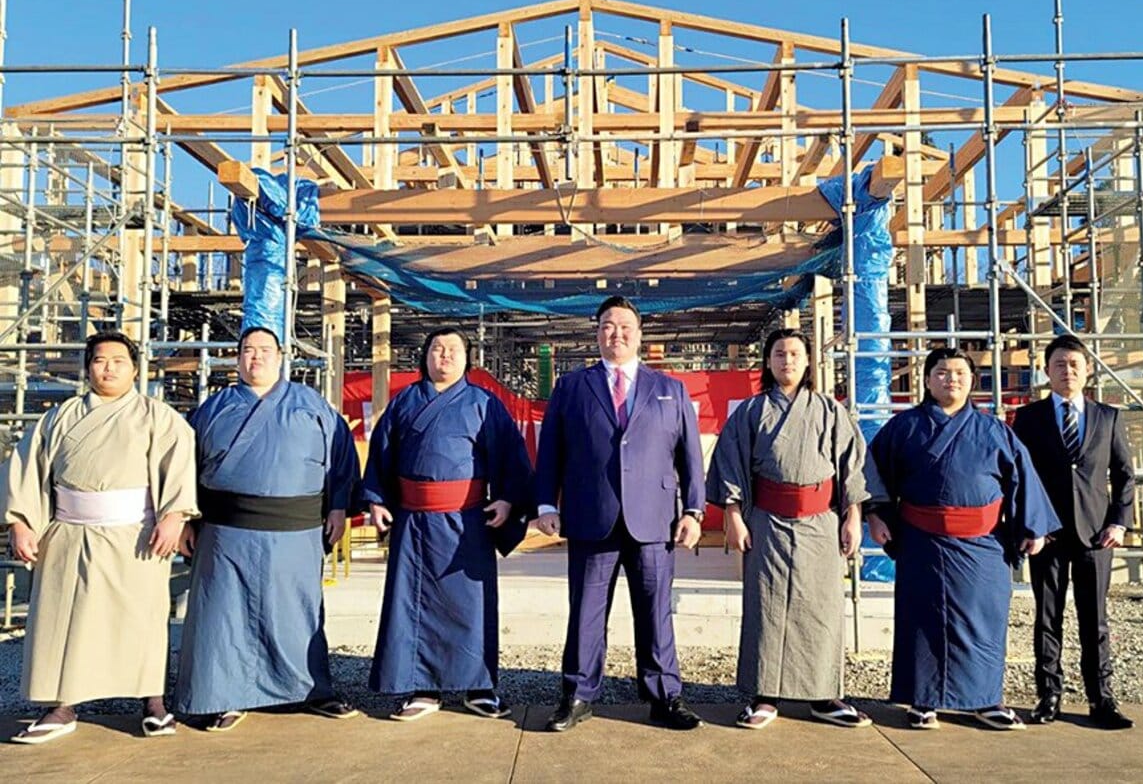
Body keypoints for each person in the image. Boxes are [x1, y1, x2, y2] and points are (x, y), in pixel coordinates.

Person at [3, 331, 198, 744]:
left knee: (142, 620)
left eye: (118, 361)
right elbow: (26, 470)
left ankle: (153, 703)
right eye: (99, 360)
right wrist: (21, 522)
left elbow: (178, 467)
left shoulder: (158, 417)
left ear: (134, 368)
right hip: (69, 531)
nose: (108, 368)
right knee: (64, 622)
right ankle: (62, 705)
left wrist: (175, 516)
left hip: (136, 536)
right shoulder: (58, 418)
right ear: (87, 366)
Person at [174, 326, 360, 732]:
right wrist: (187, 516)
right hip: (226, 530)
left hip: (296, 529)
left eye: (263, 350)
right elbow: (183, 467)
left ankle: (309, 690)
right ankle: (223, 696)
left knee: (297, 611)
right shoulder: (213, 408)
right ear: (237, 358)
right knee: (223, 615)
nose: (255, 358)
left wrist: (340, 507)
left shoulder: (313, 404)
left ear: (281, 356)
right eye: (247, 351)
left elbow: (341, 458)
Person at [533, 295, 706, 733]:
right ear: (597, 333)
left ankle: (665, 696)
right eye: (608, 325)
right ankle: (577, 694)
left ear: (640, 334)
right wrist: (547, 505)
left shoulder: (670, 388)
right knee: (587, 610)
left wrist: (694, 510)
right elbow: (550, 451)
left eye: (625, 326)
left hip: (654, 520)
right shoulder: (573, 388)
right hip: (593, 516)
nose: (617, 334)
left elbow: (691, 457)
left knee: (655, 611)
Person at [865, 347, 1060, 731]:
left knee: (982, 622)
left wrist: (1032, 526)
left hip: (982, 543)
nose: (950, 379)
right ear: (925, 380)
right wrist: (875, 514)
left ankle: (985, 700)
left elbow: (1022, 478)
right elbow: (875, 474)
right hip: (923, 540)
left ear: (972, 381)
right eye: (940, 372)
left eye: (958, 372)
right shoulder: (903, 428)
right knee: (922, 621)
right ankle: (923, 701)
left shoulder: (995, 430)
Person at [706, 328, 872, 730]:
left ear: (808, 361)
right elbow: (729, 466)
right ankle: (763, 695)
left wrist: (852, 517)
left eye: (795, 354)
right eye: (779, 354)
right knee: (767, 607)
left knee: (820, 609)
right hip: (767, 519)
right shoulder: (749, 412)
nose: (787, 361)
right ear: (767, 361)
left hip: (820, 523)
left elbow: (852, 469)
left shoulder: (832, 412)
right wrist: (733, 517)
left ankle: (824, 695)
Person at [363, 327, 532, 721]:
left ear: (467, 359)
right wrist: (375, 500)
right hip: (414, 523)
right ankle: (422, 688)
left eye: (454, 349)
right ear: (424, 356)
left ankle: (479, 687)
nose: (445, 355)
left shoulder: (484, 404)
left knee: (470, 606)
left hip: (466, 522)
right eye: (437, 348)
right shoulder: (405, 401)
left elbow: (512, 458)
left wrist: (507, 500)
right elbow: (380, 456)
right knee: (412, 605)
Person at [1012, 334, 1135, 730]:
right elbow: (1020, 475)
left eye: (1075, 364)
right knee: (1047, 618)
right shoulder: (1028, 419)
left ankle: (1102, 699)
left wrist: (1119, 521)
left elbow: (1124, 475)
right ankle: (1048, 694)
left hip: (1097, 534)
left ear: (1087, 370)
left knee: (1094, 619)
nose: (1067, 371)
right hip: (1047, 534)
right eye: (1059, 365)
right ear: (1047, 371)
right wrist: (1029, 524)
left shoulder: (1108, 417)